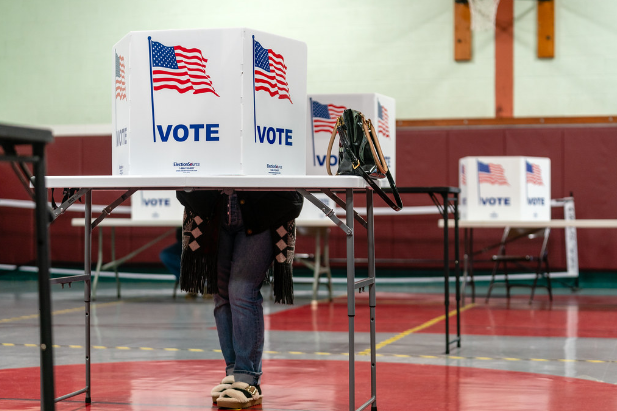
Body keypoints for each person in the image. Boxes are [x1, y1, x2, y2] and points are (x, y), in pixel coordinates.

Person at [176, 188, 303, 409]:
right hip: (215, 211)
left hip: (260, 211)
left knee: (242, 291)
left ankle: (248, 378)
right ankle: (234, 372)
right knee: (221, 294)